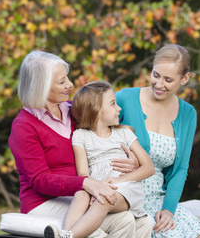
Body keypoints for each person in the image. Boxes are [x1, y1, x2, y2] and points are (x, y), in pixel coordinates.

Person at [8, 50, 154, 238]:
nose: (70, 84)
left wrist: (130, 159)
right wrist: (85, 183)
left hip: (82, 194)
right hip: (45, 202)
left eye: (67, 78)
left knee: (142, 222)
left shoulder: (73, 111)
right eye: (62, 82)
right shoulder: (24, 127)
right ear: (40, 87)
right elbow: (39, 180)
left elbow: (108, 130)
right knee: (108, 227)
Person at [113, 44, 200, 238]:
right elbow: (93, 127)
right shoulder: (125, 98)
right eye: (156, 75)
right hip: (126, 194)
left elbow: (181, 168)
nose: (159, 84)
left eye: (168, 80)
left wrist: (168, 210)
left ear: (184, 79)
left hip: (158, 198)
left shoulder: (187, 114)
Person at [45, 81, 155, 238]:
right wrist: (93, 189)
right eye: (113, 104)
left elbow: (148, 168)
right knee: (81, 193)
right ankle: (65, 233)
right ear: (95, 111)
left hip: (126, 189)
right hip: (99, 189)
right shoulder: (80, 136)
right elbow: (83, 174)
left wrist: (117, 181)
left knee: (103, 199)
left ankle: (70, 236)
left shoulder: (124, 134)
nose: (119, 108)